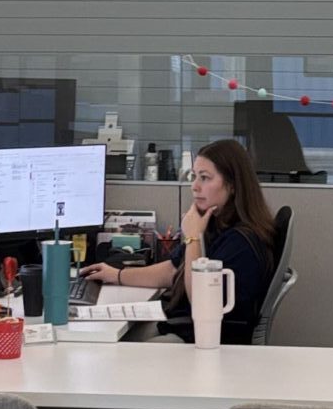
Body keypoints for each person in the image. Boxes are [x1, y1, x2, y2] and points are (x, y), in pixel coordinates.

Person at [98, 138, 276, 343]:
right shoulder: (218, 224)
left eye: (205, 178)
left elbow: (202, 306)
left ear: (232, 185)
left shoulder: (242, 243)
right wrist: (117, 274)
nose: (195, 186)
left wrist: (192, 238)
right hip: (183, 326)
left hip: (206, 341)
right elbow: (173, 269)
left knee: (115, 354)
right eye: (194, 176)